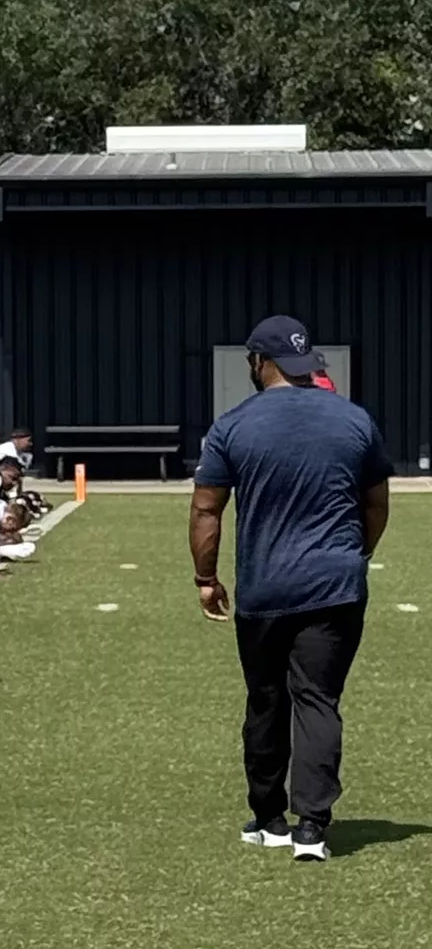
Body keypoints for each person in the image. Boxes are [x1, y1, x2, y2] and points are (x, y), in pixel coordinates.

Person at [191, 315, 392, 863]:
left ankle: (268, 817)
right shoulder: (354, 419)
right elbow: (377, 504)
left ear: (259, 362)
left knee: (266, 698)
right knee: (318, 699)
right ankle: (313, 826)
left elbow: (207, 509)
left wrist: (206, 579)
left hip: (264, 586)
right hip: (336, 585)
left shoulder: (233, 425)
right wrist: (357, 554)